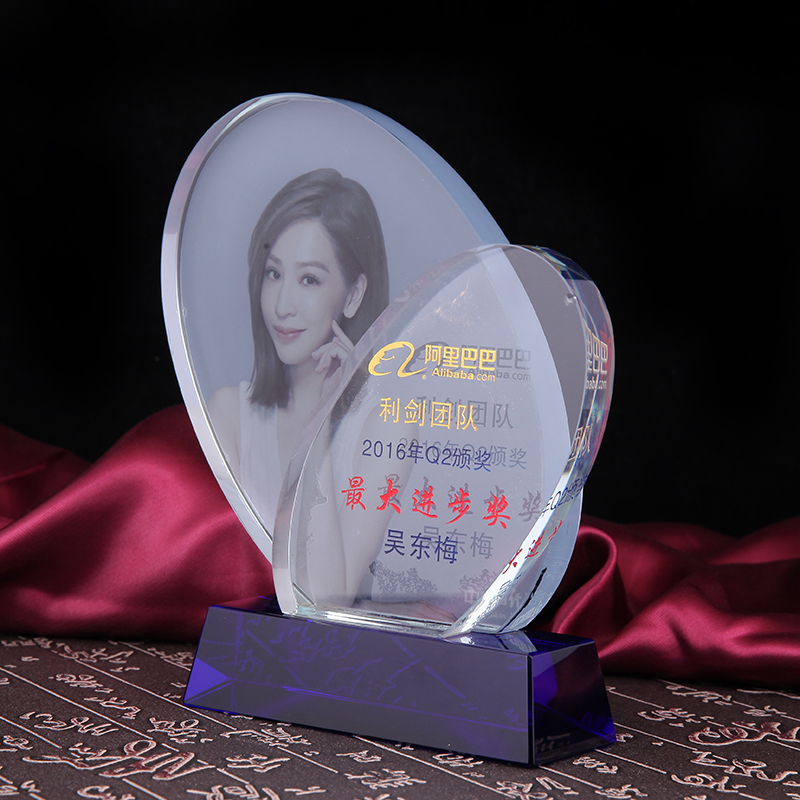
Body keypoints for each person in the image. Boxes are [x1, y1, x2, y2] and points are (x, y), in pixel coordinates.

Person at [209, 168, 389, 530]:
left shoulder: (383, 433)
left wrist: (325, 424)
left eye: (309, 279)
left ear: (353, 295)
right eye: (273, 274)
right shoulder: (229, 415)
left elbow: (330, 570)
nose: (282, 306)